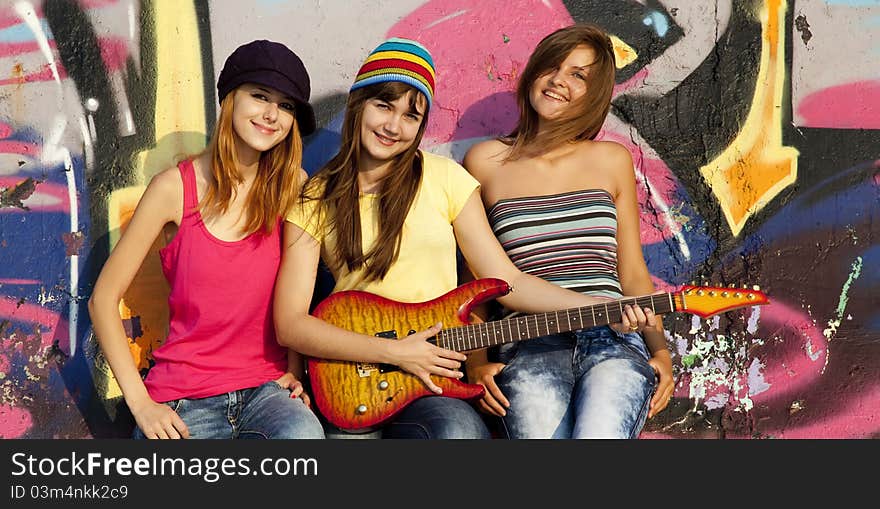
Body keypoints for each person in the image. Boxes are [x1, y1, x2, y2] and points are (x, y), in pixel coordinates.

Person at [274, 37, 649, 439]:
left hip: (435, 380)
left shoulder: (447, 179)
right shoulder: (315, 197)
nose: (392, 126)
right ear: (357, 105)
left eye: (411, 116)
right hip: (353, 379)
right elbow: (291, 324)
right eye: (383, 106)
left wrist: (604, 306)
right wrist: (395, 352)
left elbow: (507, 282)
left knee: (459, 434)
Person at [88, 40, 324, 439]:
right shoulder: (173, 189)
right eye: (260, 96)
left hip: (266, 394)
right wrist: (141, 404)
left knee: (303, 437)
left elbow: (297, 298)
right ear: (231, 100)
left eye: (286, 106)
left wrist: (295, 368)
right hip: (183, 401)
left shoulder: (294, 189)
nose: (272, 114)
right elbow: (103, 299)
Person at [461, 23, 675, 439]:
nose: (559, 80)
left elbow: (631, 273)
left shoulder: (611, 160)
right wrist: (476, 361)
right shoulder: (485, 161)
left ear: (593, 95)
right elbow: (476, 283)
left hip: (611, 337)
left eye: (579, 75)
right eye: (553, 67)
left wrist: (661, 351)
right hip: (527, 344)